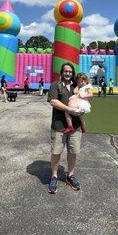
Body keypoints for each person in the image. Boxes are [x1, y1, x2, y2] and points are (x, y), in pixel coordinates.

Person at [47, 63, 84, 194]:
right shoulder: (55, 85)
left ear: (72, 73)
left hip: (75, 126)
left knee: (73, 151)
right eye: (65, 71)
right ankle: (54, 176)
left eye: (70, 71)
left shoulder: (77, 86)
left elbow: (84, 99)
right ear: (62, 72)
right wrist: (69, 109)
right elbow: (53, 101)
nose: (68, 73)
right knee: (56, 152)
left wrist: (82, 109)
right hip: (59, 126)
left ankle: (70, 175)